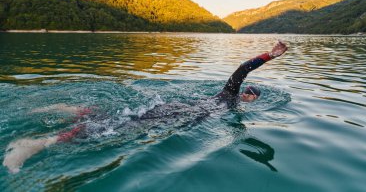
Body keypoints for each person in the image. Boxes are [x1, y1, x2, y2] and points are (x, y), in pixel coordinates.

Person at [3, 40, 288, 173]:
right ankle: (40, 142)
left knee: (121, 118)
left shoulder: (226, 101)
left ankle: (71, 110)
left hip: (180, 107)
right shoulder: (229, 96)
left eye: (252, 94)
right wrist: (270, 56)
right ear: (247, 95)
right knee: (116, 127)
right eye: (250, 93)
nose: (249, 96)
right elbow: (242, 69)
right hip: (181, 113)